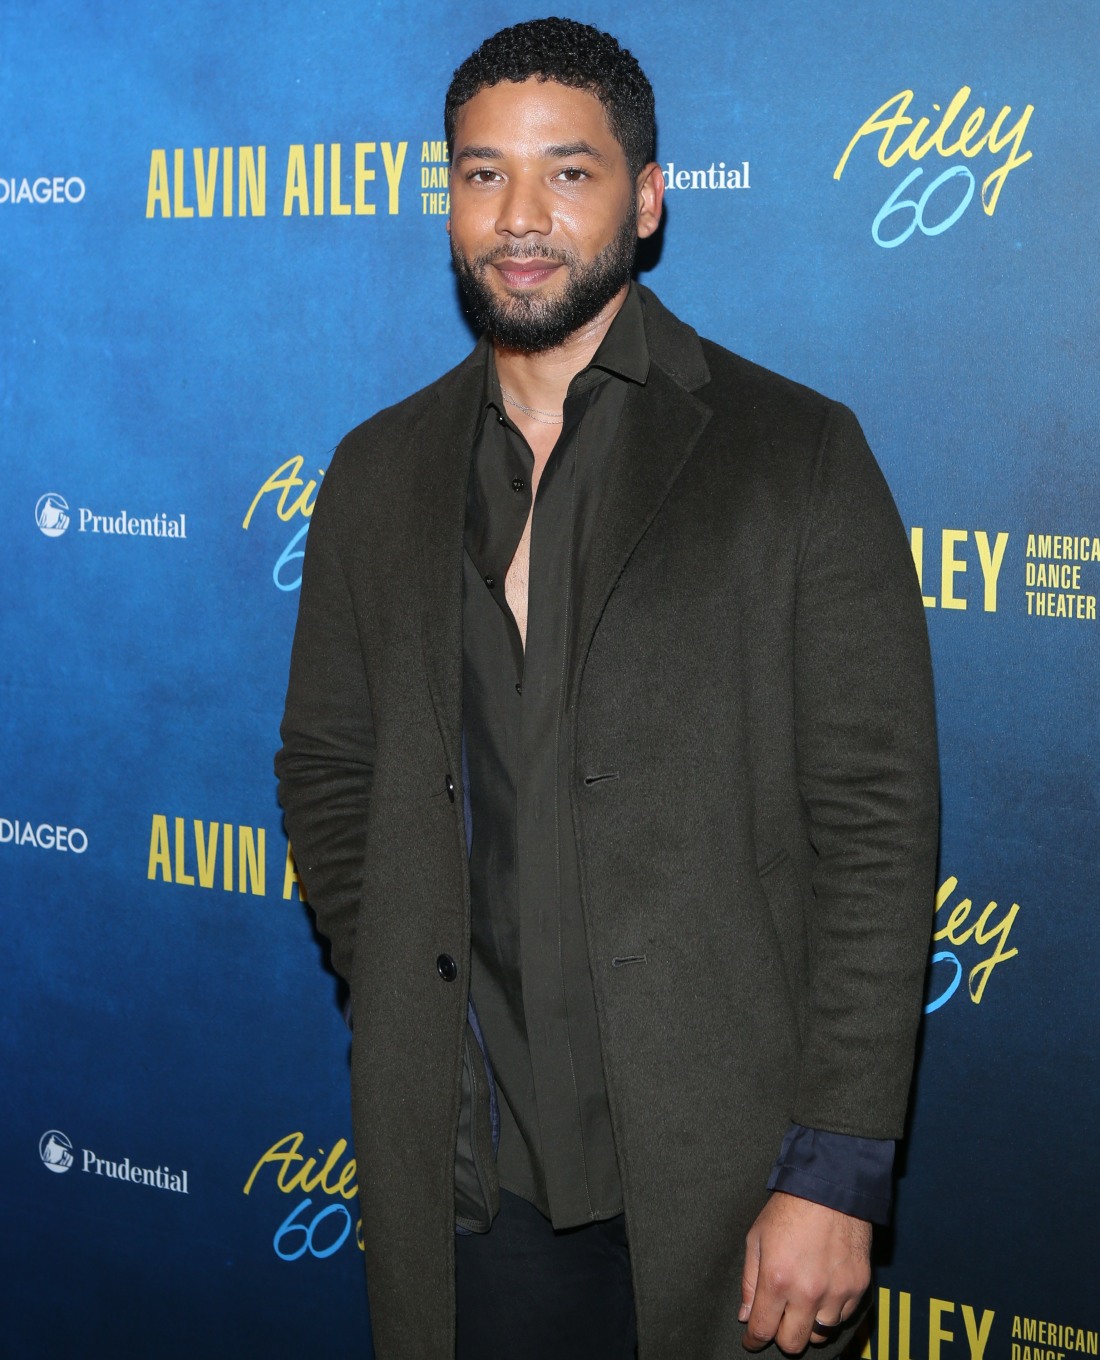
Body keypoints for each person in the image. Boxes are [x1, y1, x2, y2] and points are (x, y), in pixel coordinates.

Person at [275, 17, 938, 1360]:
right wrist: (399, 973)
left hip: (729, 1184)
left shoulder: (792, 454)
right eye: (481, 174)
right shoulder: (375, 472)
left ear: (645, 200)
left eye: (567, 173)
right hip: (469, 1186)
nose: (520, 217)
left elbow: (875, 823)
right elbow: (329, 769)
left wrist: (835, 1166)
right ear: (447, 194)